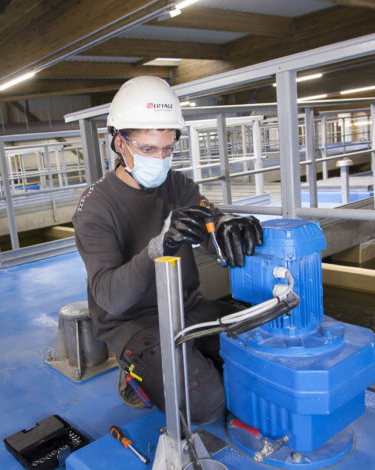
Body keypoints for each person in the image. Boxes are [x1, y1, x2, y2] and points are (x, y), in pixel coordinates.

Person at [72, 76, 263, 425]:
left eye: (167, 149)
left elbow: (209, 219)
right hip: (133, 323)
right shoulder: (95, 207)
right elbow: (110, 298)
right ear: (120, 143)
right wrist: (159, 247)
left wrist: (225, 224)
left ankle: (186, 358)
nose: (160, 159)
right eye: (147, 149)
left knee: (260, 344)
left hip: (187, 307)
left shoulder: (176, 184)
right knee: (205, 405)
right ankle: (134, 372)